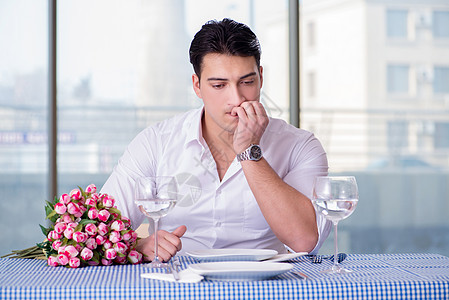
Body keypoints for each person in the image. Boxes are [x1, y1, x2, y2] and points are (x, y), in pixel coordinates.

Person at [101, 18, 331, 262]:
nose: (237, 98)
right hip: (178, 283)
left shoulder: (300, 146)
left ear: (261, 78)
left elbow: (305, 240)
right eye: (220, 85)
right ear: (197, 86)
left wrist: (249, 151)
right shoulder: (155, 143)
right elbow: (99, 226)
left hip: (264, 285)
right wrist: (138, 244)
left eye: (247, 82)